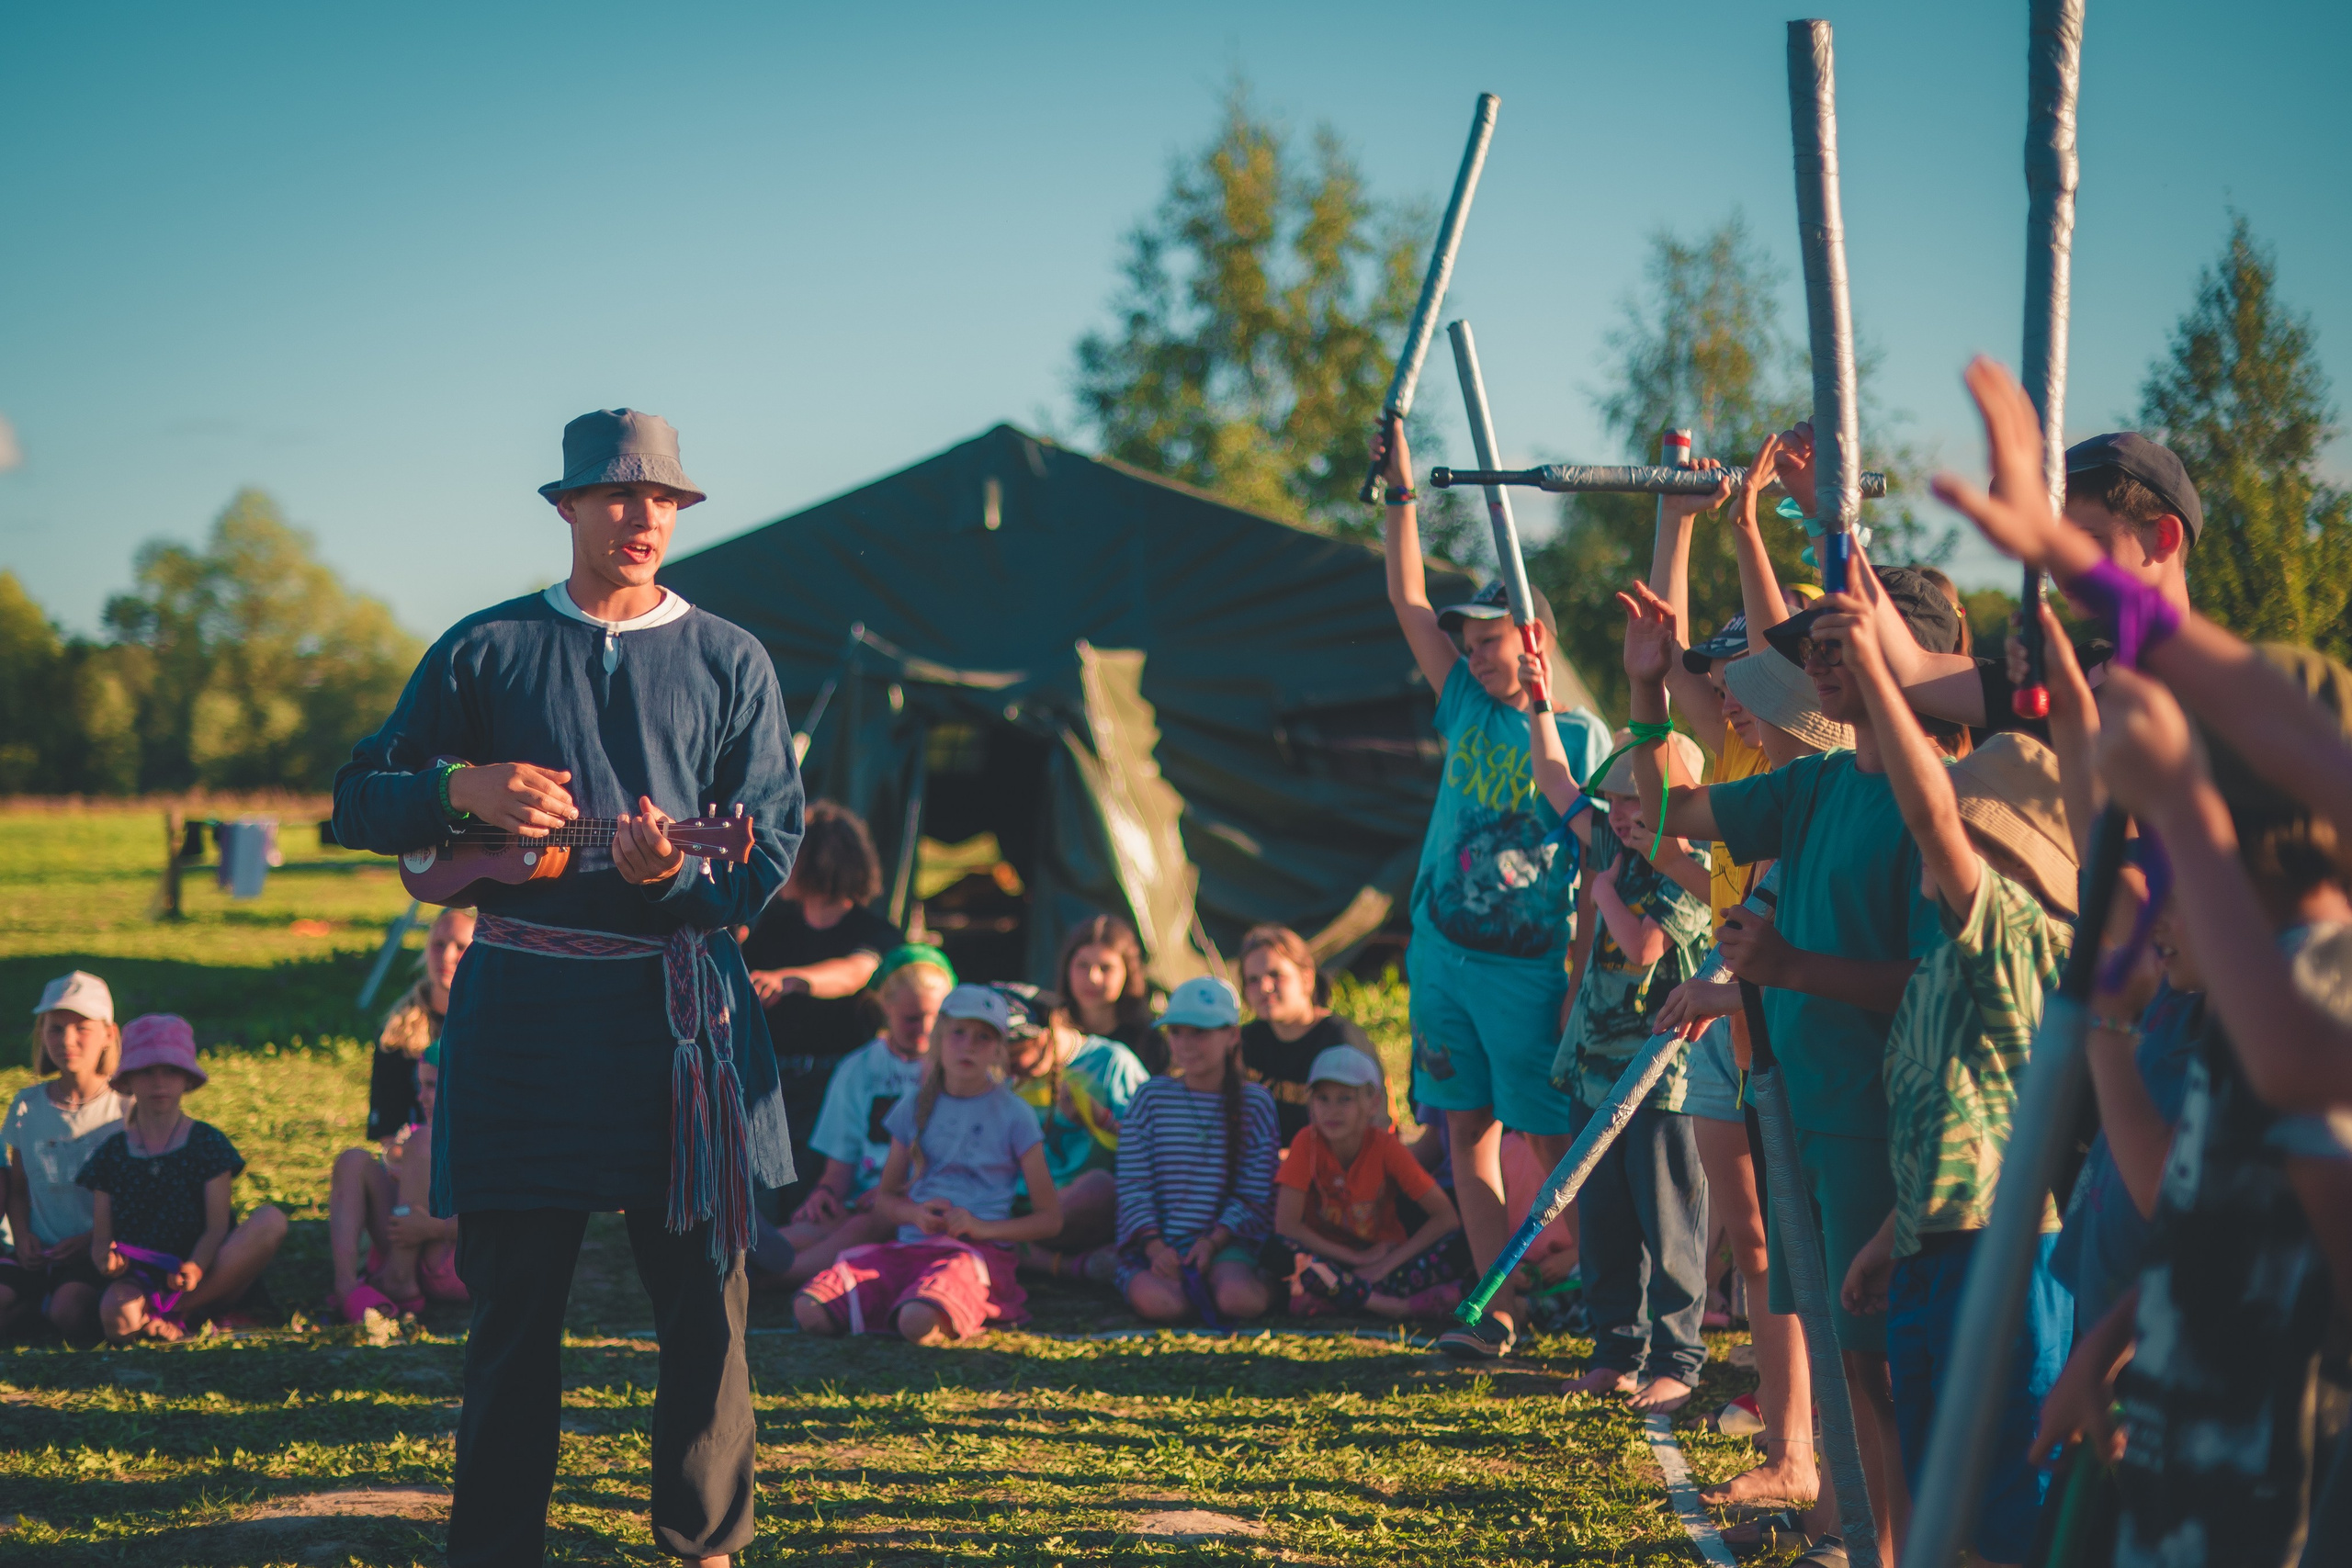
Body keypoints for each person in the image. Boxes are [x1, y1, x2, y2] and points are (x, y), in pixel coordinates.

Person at [331, 408, 803, 1568]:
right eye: (616, 497)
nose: (641, 518)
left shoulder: (731, 658)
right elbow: (358, 801)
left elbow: (769, 851)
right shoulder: (482, 648)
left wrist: (671, 876)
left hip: (679, 1030)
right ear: (567, 509)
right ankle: (495, 1552)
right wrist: (463, 786)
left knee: (705, 1307)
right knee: (512, 1317)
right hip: (523, 1024)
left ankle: (705, 1545)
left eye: (662, 501)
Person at [1623, 553, 1967, 1560]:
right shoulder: (1813, 782)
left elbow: (1940, 982)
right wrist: (1647, 691)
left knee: (1886, 1359)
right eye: (1810, 648)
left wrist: (1788, 967)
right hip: (1799, 1107)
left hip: (1881, 1117)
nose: (1815, 666)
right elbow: (1672, 816)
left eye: (1835, 644)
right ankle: (1855, 1533)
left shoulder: (1939, 801)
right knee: (1842, 1352)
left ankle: (1891, 1544)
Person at [1812, 580, 2082, 1568]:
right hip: (1935, 1256)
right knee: (1941, 1516)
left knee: (2006, 1518)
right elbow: (1957, 1128)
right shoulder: (1940, 963)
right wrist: (1891, 1240)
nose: (1942, 837)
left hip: (2004, 1269)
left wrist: (1880, 674)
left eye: (1965, 830)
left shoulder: (2008, 939)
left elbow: (1927, 813)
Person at [1373, 420, 1612, 1359]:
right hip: (1441, 958)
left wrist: (1581, 978)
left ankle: (1614, 1305)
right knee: (1462, 1126)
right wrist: (1399, 495)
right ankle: (1495, 1304)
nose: (1469, 654)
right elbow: (1404, 597)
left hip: (1525, 972)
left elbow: (1599, 873)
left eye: (1486, 640)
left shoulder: (1581, 736)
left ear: (1533, 639)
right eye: (1464, 641)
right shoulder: (1465, 704)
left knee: (1552, 1140)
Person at [1532, 729, 1715, 1414]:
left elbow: (1641, 948)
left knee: (1667, 1222)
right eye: (1611, 797)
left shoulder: (1692, 862)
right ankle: (1615, 1352)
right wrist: (1542, 698)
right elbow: (1555, 779)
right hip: (1594, 1072)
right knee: (1603, 1217)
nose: (1617, 813)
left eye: (1635, 799)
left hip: (1659, 1078)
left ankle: (1676, 1358)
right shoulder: (1613, 842)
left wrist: (1603, 889)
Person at [792, 985, 1058, 1344]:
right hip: (908, 1250)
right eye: (958, 1033)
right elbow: (886, 1199)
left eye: (983, 1037)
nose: (968, 1045)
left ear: (999, 1049)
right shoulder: (912, 1106)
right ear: (939, 1039)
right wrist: (915, 1215)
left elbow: (1049, 1220)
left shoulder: (1015, 1114)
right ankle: (906, 1300)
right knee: (809, 1309)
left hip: (976, 1256)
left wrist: (982, 1228)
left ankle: (923, 1305)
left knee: (916, 1321)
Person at [753, 945, 954, 1290]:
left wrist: (888, 1191)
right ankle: (732, 1263)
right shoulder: (858, 1069)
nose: (925, 1029)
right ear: (883, 1007)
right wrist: (826, 1193)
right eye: (912, 1018)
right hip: (860, 1201)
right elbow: (840, 1164)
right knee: (815, 1226)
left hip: (925, 1201)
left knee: (865, 1224)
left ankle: (764, 1279)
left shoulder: (955, 1069)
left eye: (936, 1017)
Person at [78, 1016, 287, 1343]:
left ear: (187, 1079)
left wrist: (196, 1267)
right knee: (116, 1316)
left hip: (208, 1268)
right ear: (128, 1080)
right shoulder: (111, 1153)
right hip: (140, 1276)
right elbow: (101, 1238)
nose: (159, 1082)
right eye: (146, 1071)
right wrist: (106, 1260)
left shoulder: (208, 1143)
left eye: (170, 1070)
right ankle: (167, 1319)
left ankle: (181, 1312)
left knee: (271, 1220)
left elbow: (216, 1227)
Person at [739, 800, 898, 1213]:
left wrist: (792, 981)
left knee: (810, 1195)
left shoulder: (874, 930)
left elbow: (856, 971)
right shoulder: (771, 924)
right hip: (767, 1079)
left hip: (835, 1085)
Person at [1114, 976, 1279, 1325]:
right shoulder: (1150, 1098)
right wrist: (1155, 1247)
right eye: (1176, 1032)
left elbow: (1255, 1193)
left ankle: (1276, 1284)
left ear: (1231, 1035)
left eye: (1199, 1032)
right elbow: (1133, 1185)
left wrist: (1213, 1243)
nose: (1186, 1043)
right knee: (1163, 1304)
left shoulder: (1255, 1103)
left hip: (1225, 1245)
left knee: (1238, 1300)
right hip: (1156, 1245)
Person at [1276, 1046, 1466, 1319]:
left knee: (1460, 1246)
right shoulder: (1306, 1142)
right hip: (1330, 1258)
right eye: (1323, 1098)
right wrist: (1355, 1259)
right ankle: (1391, 1306)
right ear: (1311, 1105)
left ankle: (1339, 1298)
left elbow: (1446, 1218)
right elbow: (1286, 1226)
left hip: (1384, 1260)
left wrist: (1383, 1264)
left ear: (1373, 1103)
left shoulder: (1385, 1146)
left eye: (1345, 1099)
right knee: (1277, 1251)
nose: (1333, 1110)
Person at [2, 972, 130, 1339]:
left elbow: (136, 1198)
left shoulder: (124, 1110)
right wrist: (23, 1234)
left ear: (108, 1033)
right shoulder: (27, 1106)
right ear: (41, 1035)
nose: (67, 1040)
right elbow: (18, 1188)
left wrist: (95, 1239)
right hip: (38, 1253)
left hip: (98, 1254)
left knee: (69, 1311)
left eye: (82, 1028)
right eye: (55, 1029)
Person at [995, 984, 1148, 1278]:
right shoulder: (996, 1074)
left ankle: (1013, 1252)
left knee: (1099, 1189)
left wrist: (1099, 1120)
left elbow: (1153, 1149)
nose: (1005, 1068)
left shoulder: (1111, 1062)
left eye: (1015, 1057)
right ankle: (1066, 1266)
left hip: (1075, 1206)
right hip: (1014, 1206)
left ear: (1046, 1033)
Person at [329, 1041, 463, 1321]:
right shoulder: (419, 1135)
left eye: (432, 1086)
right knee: (352, 1160)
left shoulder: (491, 1139)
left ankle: (398, 1278)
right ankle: (346, 1286)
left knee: (424, 1139)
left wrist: (434, 1228)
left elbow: (506, 1224)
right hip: (412, 1250)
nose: (421, 1097)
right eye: (420, 1086)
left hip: (455, 1261)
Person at [1236, 924, 1383, 1145]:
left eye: (1276, 975)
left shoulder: (1342, 1043)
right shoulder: (1245, 1042)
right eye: (1253, 980)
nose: (1265, 987)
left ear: (1307, 979)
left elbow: (1371, 1130)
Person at [367, 907, 475, 1141]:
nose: (446, 956)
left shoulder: (493, 1024)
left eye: (461, 947)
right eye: (438, 944)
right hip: (412, 1158)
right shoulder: (399, 1029)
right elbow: (388, 1129)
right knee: (352, 1163)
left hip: (471, 1156)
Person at [1056, 913, 1161, 1073]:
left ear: (1128, 973)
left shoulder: (1150, 1043)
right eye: (1083, 965)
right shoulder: (1048, 1033)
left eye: (1106, 968)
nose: (1093, 978)